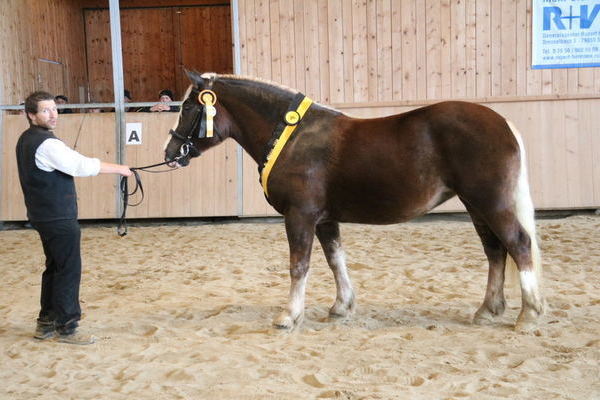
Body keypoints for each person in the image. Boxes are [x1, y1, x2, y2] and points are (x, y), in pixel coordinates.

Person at [16, 91, 133, 345]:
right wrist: (120, 169)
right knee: (68, 269)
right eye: (45, 110)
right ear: (31, 115)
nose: (52, 114)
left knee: (55, 267)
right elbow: (80, 166)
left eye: (54, 109)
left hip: (43, 215)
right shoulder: (46, 143)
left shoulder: (27, 139)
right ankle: (67, 326)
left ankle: (45, 322)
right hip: (57, 217)